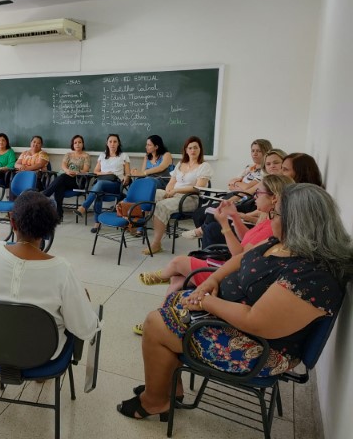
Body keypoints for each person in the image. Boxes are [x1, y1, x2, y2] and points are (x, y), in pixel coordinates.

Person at [117, 183, 352, 421]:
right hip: (235, 322)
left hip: (261, 349)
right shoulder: (283, 243)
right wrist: (213, 280)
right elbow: (241, 258)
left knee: (156, 323)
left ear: (298, 222)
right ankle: (169, 388)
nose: (270, 218)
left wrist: (206, 303)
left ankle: (155, 401)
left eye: (276, 213)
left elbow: (257, 321)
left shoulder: (310, 275)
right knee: (176, 302)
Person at [133, 174, 294, 335]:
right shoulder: (267, 219)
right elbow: (247, 239)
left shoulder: (272, 226)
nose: (254, 196)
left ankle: (163, 280)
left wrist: (224, 224)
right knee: (178, 279)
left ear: (274, 198)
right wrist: (234, 216)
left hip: (231, 273)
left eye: (258, 193)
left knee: (178, 263)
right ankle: (162, 318)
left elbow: (239, 254)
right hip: (232, 267)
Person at [0, 191, 100, 358]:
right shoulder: (61, 270)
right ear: (48, 230)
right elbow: (85, 329)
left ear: (13, 223)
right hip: (42, 355)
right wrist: (83, 300)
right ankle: (39, 374)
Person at [144, 136, 213, 254]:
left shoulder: (204, 166)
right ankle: (135, 224)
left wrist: (176, 191)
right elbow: (172, 182)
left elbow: (197, 188)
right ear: (186, 150)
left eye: (195, 148)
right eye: (190, 148)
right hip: (174, 194)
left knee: (161, 206)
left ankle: (156, 244)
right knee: (149, 195)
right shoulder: (181, 163)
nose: (193, 150)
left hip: (190, 198)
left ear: (200, 149)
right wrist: (168, 191)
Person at [75, 134, 131, 233]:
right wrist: (106, 173)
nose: (112, 144)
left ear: (118, 143)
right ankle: (97, 223)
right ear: (107, 143)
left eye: (115, 141)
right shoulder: (102, 155)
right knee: (98, 193)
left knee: (99, 185)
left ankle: (84, 207)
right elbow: (96, 171)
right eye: (110, 141)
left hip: (116, 184)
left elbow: (128, 173)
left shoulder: (123, 156)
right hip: (102, 184)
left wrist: (126, 178)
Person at [42, 134, 91, 220]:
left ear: (83, 144)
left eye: (80, 142)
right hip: (67, 178)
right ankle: (59, 214)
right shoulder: (68, 154)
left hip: (78, 181)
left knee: (61, 178)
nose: (77, 144)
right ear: (72, 144)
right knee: (59, 185)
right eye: (75, 142)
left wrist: (77, 172)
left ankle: (45, 195)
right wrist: (68, 171)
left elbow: (86, 170)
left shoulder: (86, 156)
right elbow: (63, 166)